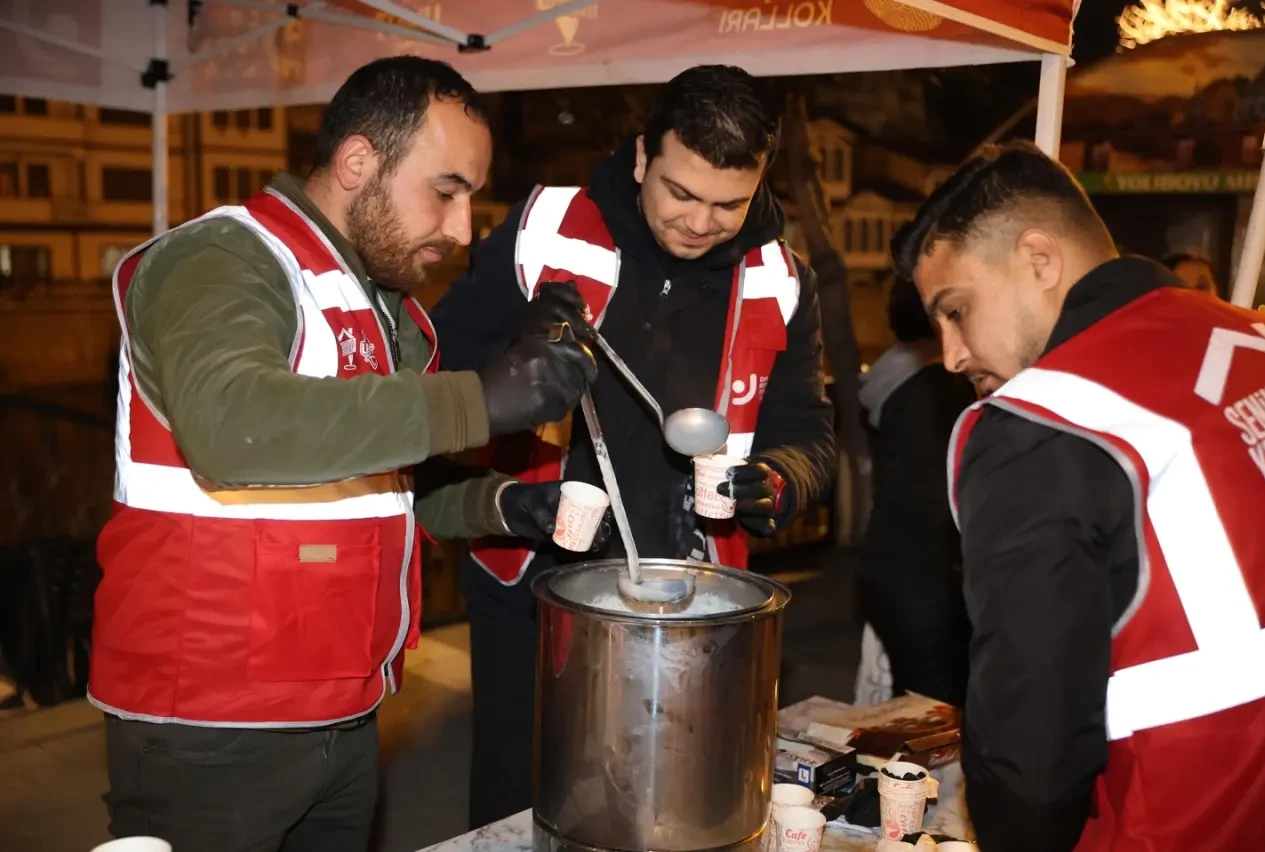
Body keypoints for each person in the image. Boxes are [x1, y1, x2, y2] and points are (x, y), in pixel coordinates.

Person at [91, 56, 600, 852]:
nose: (461, 229)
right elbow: (231, 428)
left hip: (345, 711)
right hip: (211, 726)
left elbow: (381, 481)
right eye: (446, 191)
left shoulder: (379, 303)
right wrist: (480, 398)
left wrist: (502, 505)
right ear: (358, 161)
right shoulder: (221, 257)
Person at [430, 64, 836, 827]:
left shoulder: (782, 279)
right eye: (681, 192)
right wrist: (516, 350)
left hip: (692, 605)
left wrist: (779, 480)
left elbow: (809, 437)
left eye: (729, 204)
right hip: (532, 586)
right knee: (520, 808)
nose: (701, 222)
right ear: (644, 155)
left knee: (666, 812)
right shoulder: (546, 228)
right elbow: (435, 371)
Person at [894, 141, 1265, 851]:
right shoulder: (1256, 337)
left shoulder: (1044, 426)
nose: (950, 356)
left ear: (1039, 260)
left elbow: (1029, 757)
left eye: (957, 311)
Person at [855, 277, 973, 708]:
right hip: (926, 577)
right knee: (932, 713)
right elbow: (938, 500)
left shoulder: (893, 379)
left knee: (910, 703)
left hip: (891, 566)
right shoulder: (937, 387)